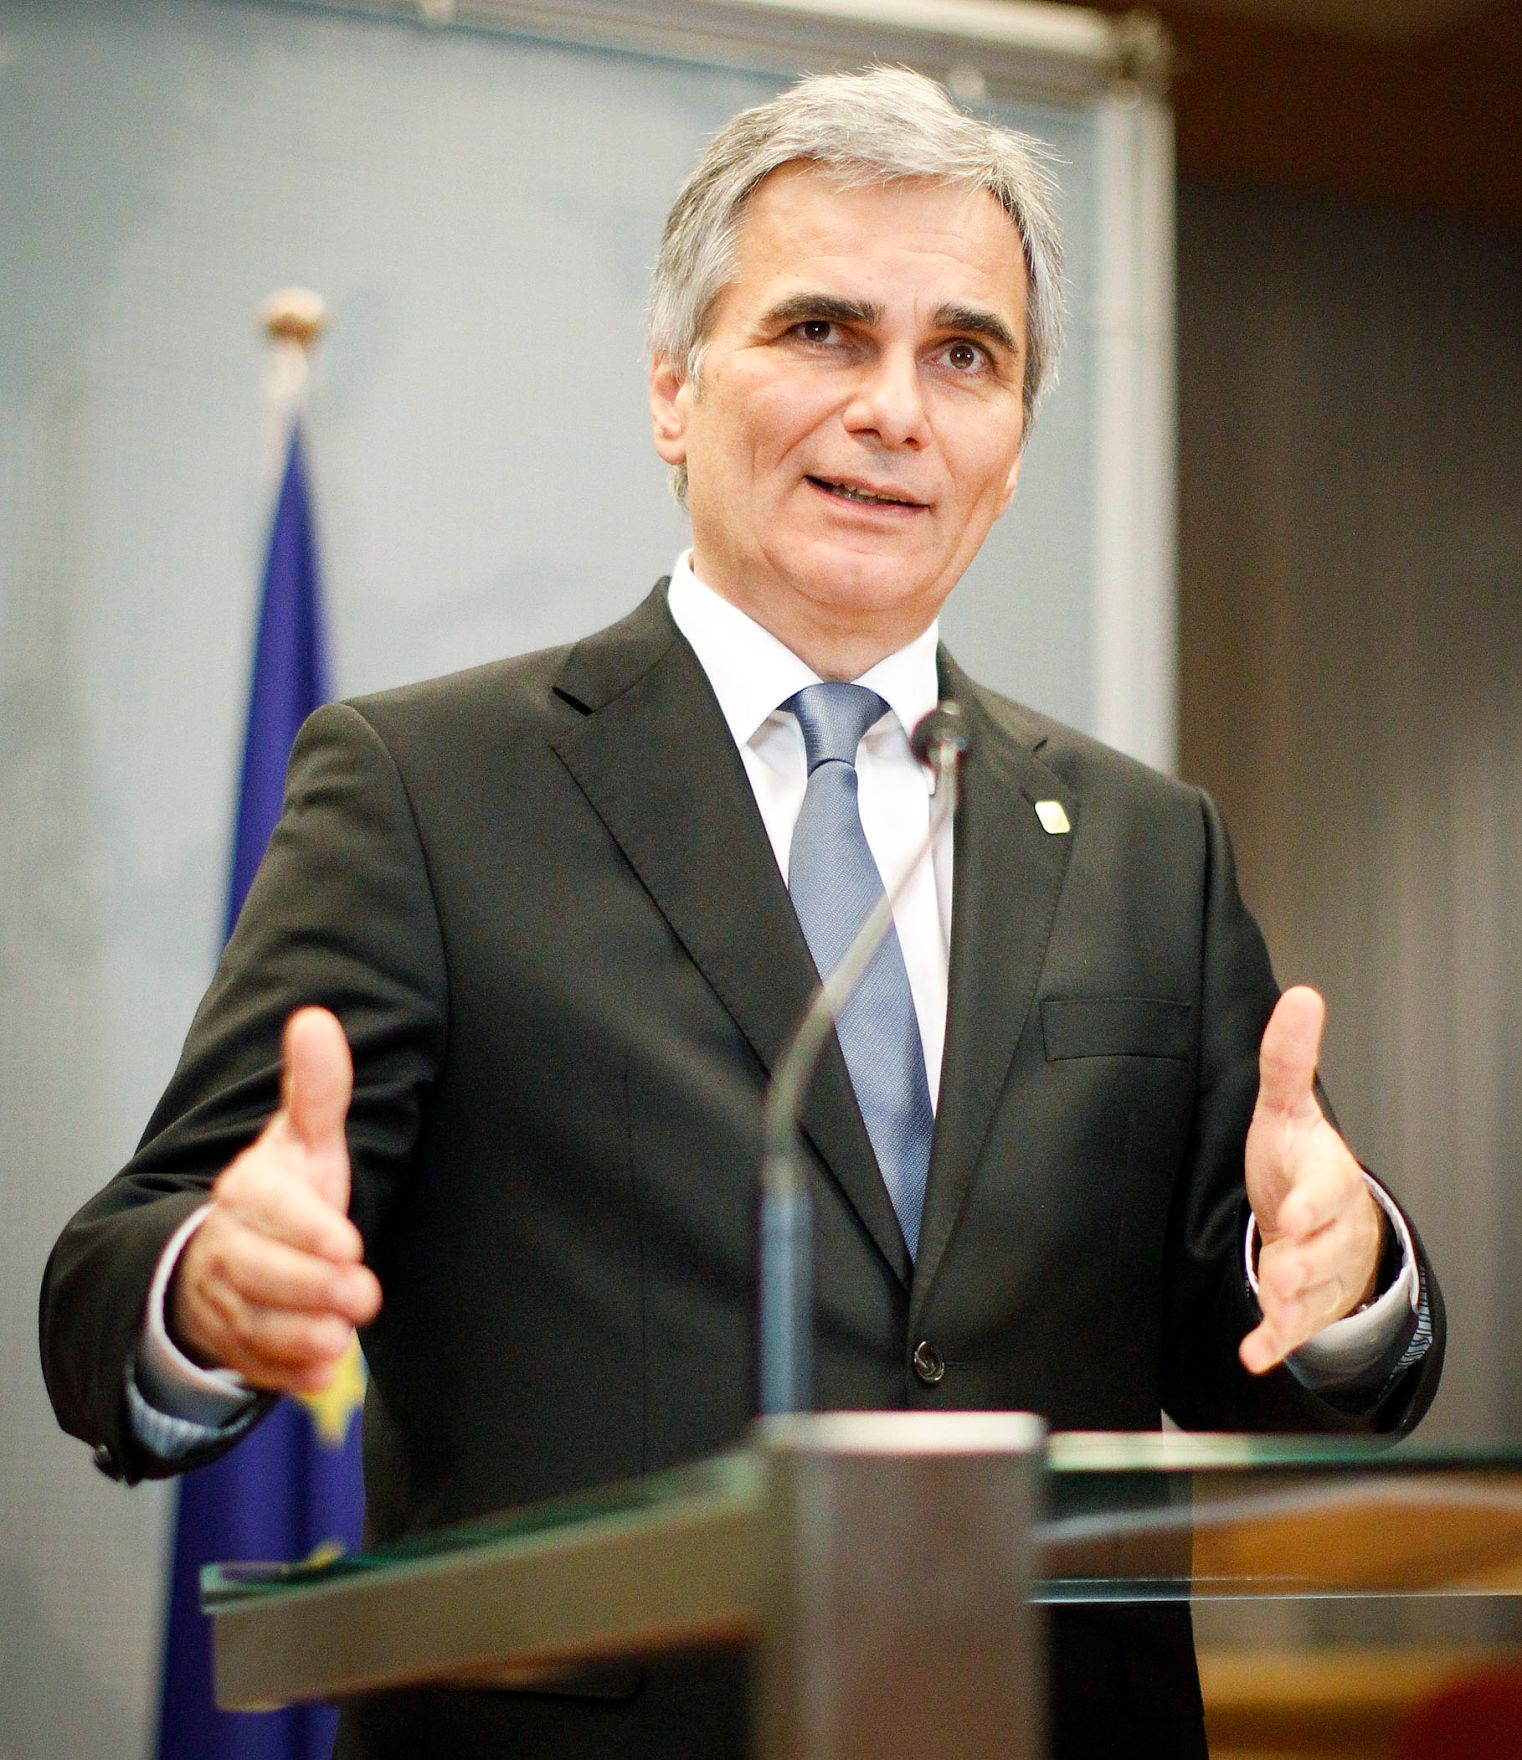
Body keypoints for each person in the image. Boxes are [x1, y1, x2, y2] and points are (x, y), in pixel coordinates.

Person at [40, 67, 1442, 1760]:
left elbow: (1267, 1361)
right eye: (822, 333)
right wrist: (212, 1287)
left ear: (1010, 444)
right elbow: (121, 1266)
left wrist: (1341, 1270)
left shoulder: (1151, 845)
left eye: (964, 355)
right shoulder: (426, 789)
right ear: (671, 390)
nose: (895, 413)